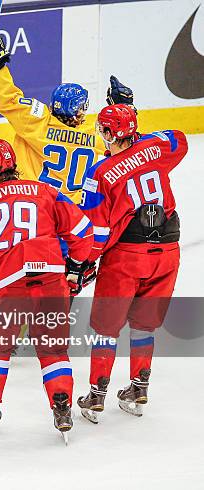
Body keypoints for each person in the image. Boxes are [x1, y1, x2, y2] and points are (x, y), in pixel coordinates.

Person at [0, 138, 93, 438]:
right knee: (53, 350)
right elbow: (84, 232)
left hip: (5, 287)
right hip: (50, 280)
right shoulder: (46, 191)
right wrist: (75, 266)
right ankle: (62, 406)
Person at [76, 105, 188, 422]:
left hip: (126, 256)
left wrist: (83, 261)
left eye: (106, 130)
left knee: (106, 327)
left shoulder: (99, 173)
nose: (103, 136)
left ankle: (97, 394)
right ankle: (139, 387)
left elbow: (96, 230)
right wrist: (143, 145)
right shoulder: (156, 147)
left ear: (115, 133)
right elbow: (180, 140)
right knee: (143, 324)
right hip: (167, 253)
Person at [0, 30, 135, 205]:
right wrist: (125, 109)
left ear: (52, 106)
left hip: (35, 205)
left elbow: (7, 100)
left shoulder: (36, 122)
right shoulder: (97, 136)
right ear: (80, 111)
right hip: (74, 213)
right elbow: (127, 144)